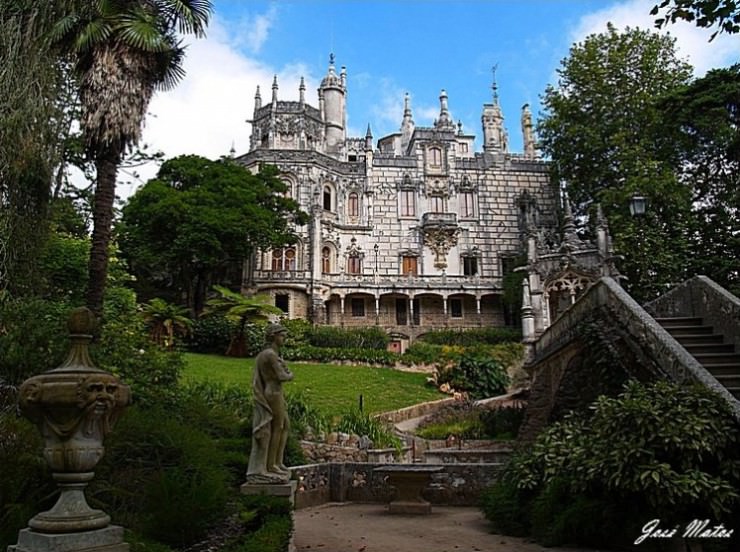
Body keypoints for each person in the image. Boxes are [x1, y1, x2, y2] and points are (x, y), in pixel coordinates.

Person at [246, 323, 293, 483]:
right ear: (274, 336)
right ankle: (271, 464)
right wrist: (289, 374)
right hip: (273, 393)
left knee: (285, 425)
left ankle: (277, 462)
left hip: (273, 392)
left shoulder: (268, 354)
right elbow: (281, 376)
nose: (284, 339)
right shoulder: (270, 355)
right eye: (282, 335)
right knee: (278, 427)